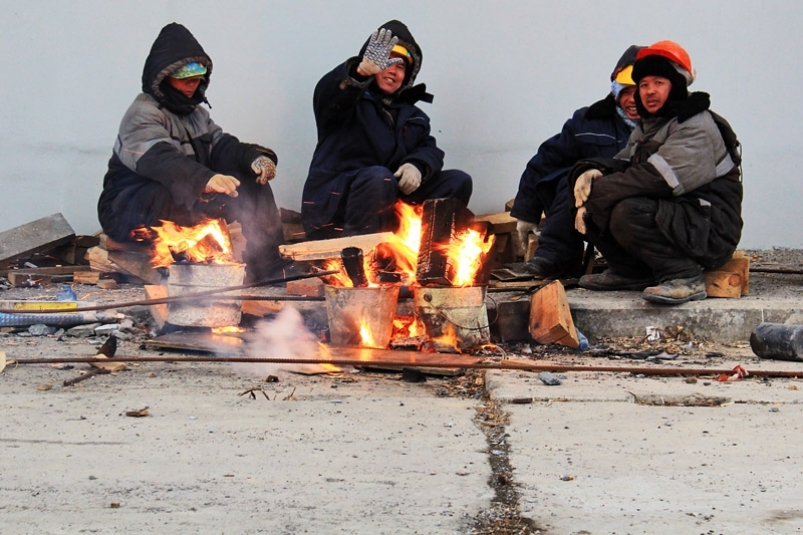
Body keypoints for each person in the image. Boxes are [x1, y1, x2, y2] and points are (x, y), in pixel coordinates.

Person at [97, 22, 289, 283]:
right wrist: (205, 180)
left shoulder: (195, 113)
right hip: (128, 208)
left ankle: (269, 270)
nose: (192, 85)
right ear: (163, 78)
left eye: (197, 79)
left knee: (251, 185)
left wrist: (254, 157)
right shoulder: (142, 113)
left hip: (182, 200)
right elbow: (160, 161)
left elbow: (222, 146)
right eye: (185, 79)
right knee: (167, 188)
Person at [571, 40, 743, 305]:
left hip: (709, 228)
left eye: (658, 83)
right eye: (643, 85)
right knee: (591, 198)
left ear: (676, 85)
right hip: (681, 219)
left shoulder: (696, 124)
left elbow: (657, 178)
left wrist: (597, 194)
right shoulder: (651, 126)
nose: (649, 92)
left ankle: (684, 276)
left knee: (627, 209)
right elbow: (623, 163)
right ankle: (631, 272)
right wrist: (589, 172)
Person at [301, 20, 473, 240]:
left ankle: (428, 257)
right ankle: (361, 258)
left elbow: (429, 149)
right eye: (388, 62)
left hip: (386, 206)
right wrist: (359, 72)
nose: (393, 70)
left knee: (458, 181)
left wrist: (417, 165)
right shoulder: (348, 100)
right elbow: (329, 94)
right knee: (380, 177)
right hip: (333, 212)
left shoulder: (415, 116)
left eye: (401, 67)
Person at [511, 45, 643, 279]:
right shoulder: (587, 120)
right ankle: (554, 257)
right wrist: (527, 212)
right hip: (593, 216)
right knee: (569, 178)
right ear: (614, 89)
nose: (633, 100)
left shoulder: (671, 127)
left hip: (642, 216)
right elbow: (545, 161)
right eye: (626, 90)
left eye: (640, 90)